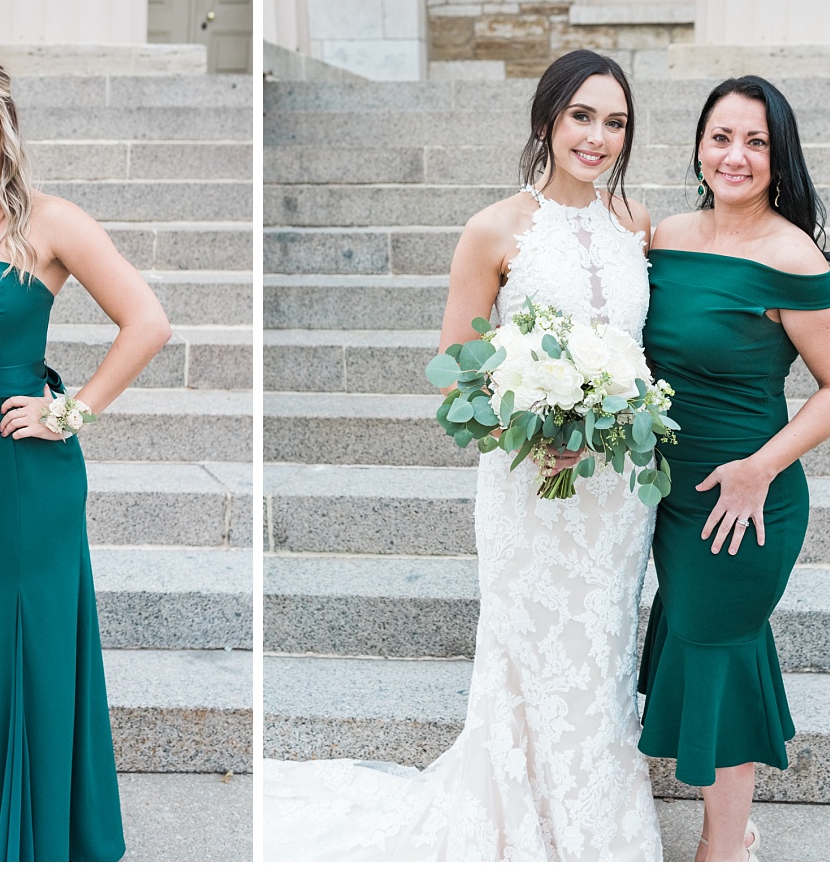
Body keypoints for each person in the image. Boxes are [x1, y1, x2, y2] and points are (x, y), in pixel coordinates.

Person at [264, 50, 663, 860]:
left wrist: (612, 417)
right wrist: (537, 428)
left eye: (614, 121)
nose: (597, 136)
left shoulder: (637, 224)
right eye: (581, 116)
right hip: (528, 482)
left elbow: (643, 350)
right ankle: (521, 823)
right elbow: (456, 375)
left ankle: (594, 820)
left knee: (602, 644)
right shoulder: (494, 229)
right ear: (547, 120)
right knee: (529, 649)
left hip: (615, 488)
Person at [0, 52, 171, 861]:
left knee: (24, 644)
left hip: (24, 470)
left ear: (4, 125)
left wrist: (72, 410)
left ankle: (27, 833)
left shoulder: (52, 222)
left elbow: (149, 322)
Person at [637, 76, 830, 862]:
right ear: (699, 144)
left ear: (779, 157)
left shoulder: (789, 253)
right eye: (722, 137)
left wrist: (760, 468)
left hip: (748, 499)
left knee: (718, 649)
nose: (736, 156)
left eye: (756, 142)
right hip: (672, 494)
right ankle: (730, 831)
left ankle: (723, 849)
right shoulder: (663, 235)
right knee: (712, 646)